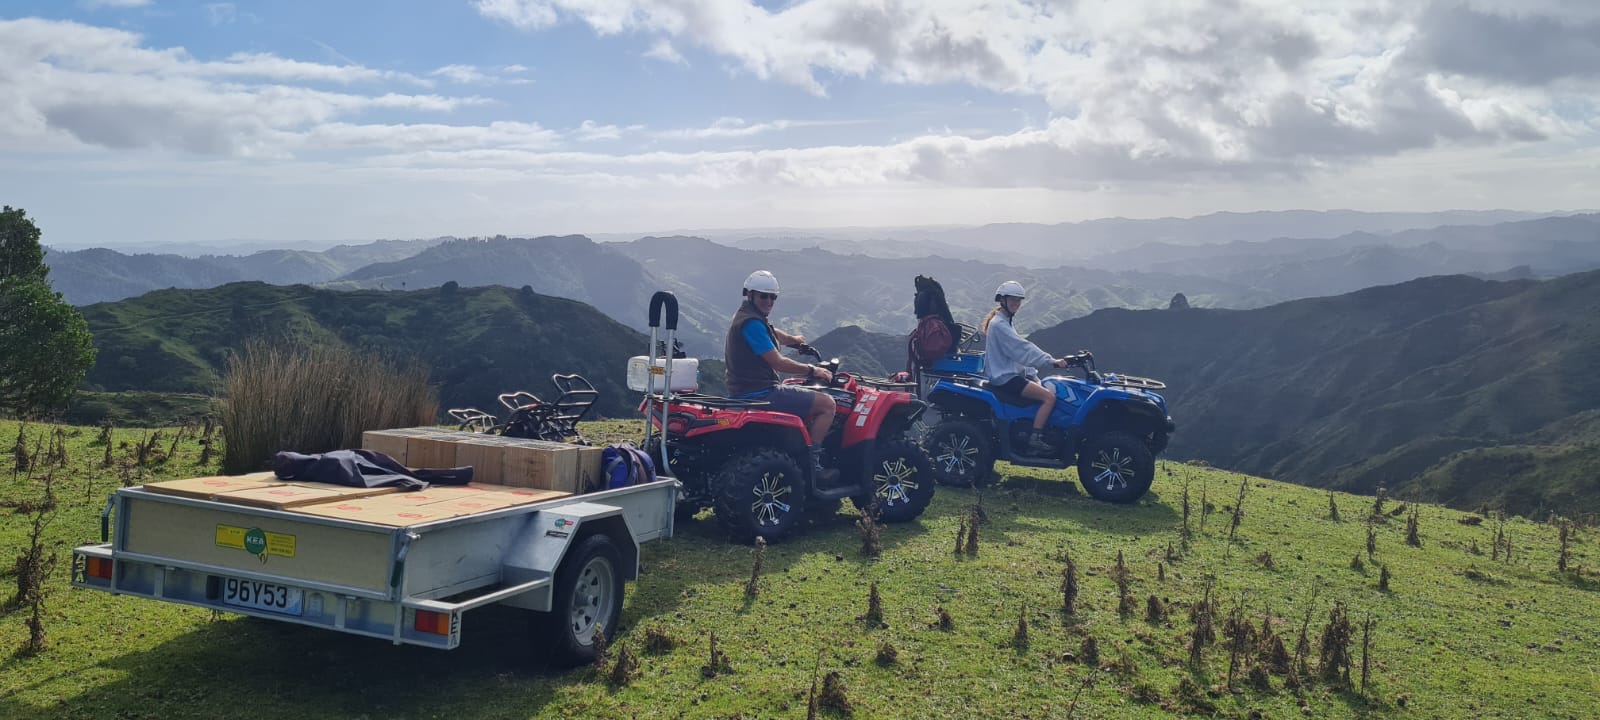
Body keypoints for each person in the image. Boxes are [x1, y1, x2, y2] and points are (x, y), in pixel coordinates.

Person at [724, 270, 839, 482]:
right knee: (828, 405)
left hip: (743, 391)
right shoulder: (751, 323)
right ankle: (813, 466)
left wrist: (794, 340)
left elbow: (772, 333)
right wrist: (814, 370)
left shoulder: (748, 317)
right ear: (750, 295)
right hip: (760, 393)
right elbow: (778, 362)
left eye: (773, 297)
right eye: (763, 296)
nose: (769, 301)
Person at [982, 280, 1070, 457]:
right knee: (1049, 398)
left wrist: (1033, 375)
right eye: (1012, 299)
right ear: (1002, 300)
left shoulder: (1004, 322)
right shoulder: (999, 325)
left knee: (1045, 388)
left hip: (1009, 374)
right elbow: (1022, 349)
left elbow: (1017, 355)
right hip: (1005, 378)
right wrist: (1051, 361)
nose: (1016, 303)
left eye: (1018, 300)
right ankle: (1035, 439)